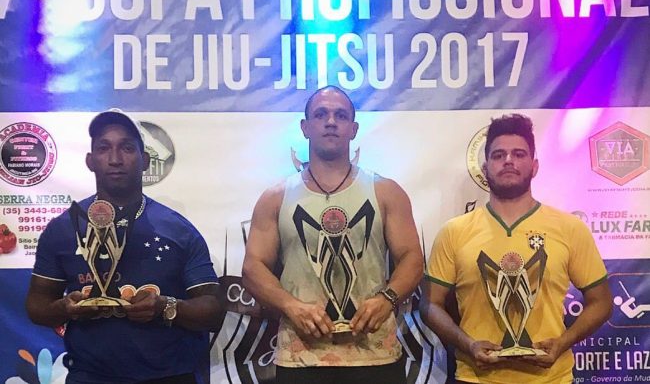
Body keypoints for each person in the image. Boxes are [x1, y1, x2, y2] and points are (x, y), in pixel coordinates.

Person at [25, 109, 222, 384]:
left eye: (127, 148)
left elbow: (213, 311)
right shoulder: (63, 229)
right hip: (90, 377)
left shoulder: (179, 230)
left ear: (145, 161)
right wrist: (64, 308)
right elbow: (37, 305)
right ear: (90, 161)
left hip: (169, 376)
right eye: (104, 148)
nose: (115, 159)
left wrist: (166, 307)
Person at [242, 86, 423, 384]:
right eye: (321, 114)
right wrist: (291, 306)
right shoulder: (276, 197)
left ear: (353, 129)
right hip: (301, 357)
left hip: (375, 354)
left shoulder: (386, 191)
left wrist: (387, 299)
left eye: (340, 115)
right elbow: (253, 268)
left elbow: (412, 258)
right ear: (305, 127)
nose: (330, 122)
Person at [421, 114, 612, 384]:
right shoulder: (454, 231)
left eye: (519, 154)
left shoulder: (570, 228)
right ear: (485, 168)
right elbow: (430, 304)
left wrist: (562, 343)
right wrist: (468, 344)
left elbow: (601, 302)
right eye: (498, 155)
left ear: (534, 166)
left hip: (550, 379)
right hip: (476, 378)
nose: (508, 160)